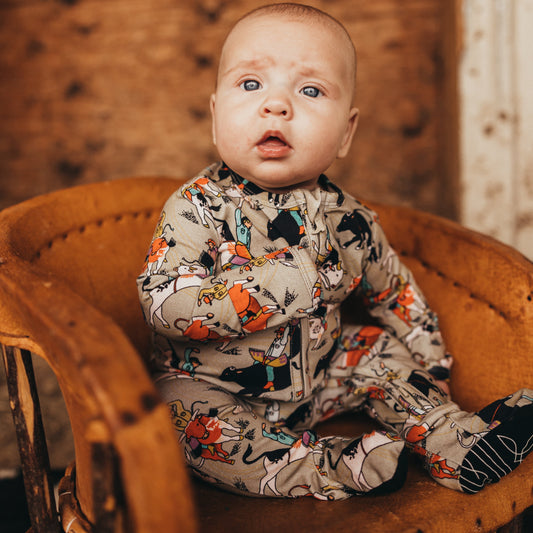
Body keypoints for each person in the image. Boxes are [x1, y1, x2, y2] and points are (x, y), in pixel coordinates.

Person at [137, 2, 533, 500]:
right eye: (251, 84)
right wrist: (285, 282)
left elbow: (395, 294)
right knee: (180, 419)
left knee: (375, 348)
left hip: (322, 376)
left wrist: (430, 370)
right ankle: (332, 467)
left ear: (346, 133)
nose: (276, 105)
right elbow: (164, 307)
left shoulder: (350, 219)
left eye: (310, 90)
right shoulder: (195, 210)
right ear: (216, 117)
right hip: (214, 386)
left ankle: (452, 441)